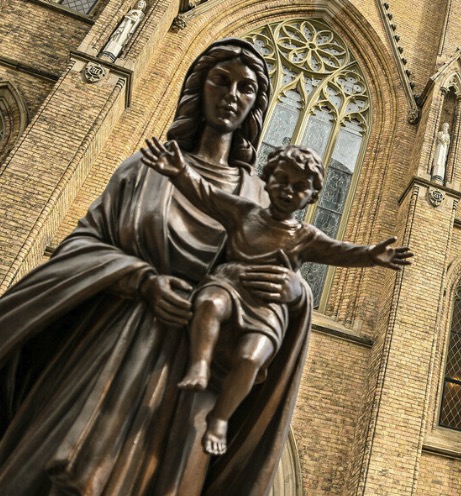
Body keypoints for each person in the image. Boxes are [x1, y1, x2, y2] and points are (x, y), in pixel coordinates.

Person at [0, 39, 321, 495]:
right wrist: (141, 280)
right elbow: (83, 244)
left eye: (246, 87)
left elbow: (283, 280)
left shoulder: (258, 198)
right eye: (221, 80)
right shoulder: (147, 168)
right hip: (112, 347)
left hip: (195, 378)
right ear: (198, 87)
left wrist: (294, 292)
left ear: (256, 105)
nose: (231, 95)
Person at [141, 141, 411, 455]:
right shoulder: (244, 212)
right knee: (209, 304)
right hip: (229, 284)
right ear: (267, 178)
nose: (287, 190)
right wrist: (180, 172)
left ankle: (220, 418)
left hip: (267, 307)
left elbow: (340, 251)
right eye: (281, 179)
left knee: (251, 358)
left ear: (312, 196)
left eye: (299, 186)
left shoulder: (306, 236)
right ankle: (200, 365)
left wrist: (370, 255)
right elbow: (208, 195)